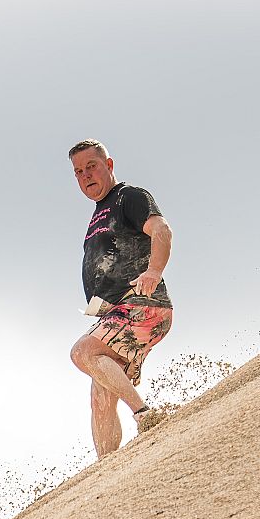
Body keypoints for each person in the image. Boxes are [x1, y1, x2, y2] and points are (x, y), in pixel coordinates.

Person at [68, 140, 174, 456]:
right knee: (100, 394)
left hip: (143, 305)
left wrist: (154, 271)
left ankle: (144, 414)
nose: (86, 175)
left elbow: (161, 230)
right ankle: (107, 468)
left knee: (82, 352)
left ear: (109, 165)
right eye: (78, 172)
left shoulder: (129, 197)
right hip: (116, 315)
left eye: (91, 166)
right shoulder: (97, 215)